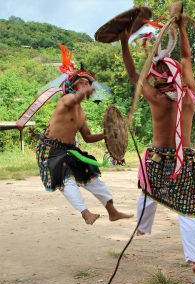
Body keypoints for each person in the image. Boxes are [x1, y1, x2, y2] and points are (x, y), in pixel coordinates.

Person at [120, 14, 195, 284]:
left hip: (158, 159)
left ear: (158, 79)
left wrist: (125, 42)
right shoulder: (189, 95)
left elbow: (134, 73)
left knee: (147, 189)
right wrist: (181, 28)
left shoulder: (156, 98)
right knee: (189, 211)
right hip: (184, 161)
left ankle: (142, 227)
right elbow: (186, 58)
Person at [35, 47, 133, 225]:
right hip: (51, 150)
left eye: (90, 85)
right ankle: (86, 213)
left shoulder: (82, 114)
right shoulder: (66, 100)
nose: (89, 88)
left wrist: (107, 135)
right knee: (67, 180)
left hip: (70, 151)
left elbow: (87, 137)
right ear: (76, 84)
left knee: (93, 177)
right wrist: (84, 92)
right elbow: (74, 99)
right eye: (86, 84)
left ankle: (112, 211)